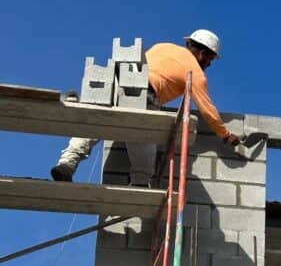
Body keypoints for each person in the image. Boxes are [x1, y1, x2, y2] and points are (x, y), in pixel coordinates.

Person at [51, 29, 240, 186]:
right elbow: (208, 110)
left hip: (115, 83)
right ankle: (140, 183)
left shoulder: (162, 46)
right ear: (203, 53)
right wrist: (225, 135)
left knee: (91, 127)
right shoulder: (196, 72)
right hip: (143, 96)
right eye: (210, 59)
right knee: (144, 144)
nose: (208, 64)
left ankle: (67, 164)